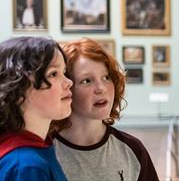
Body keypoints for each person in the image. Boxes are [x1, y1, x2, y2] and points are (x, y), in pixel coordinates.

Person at [52, 38, 159, 181]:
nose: (101, 88)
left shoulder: (133, 149)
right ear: (65, 88)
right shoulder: (45, 152)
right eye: (87, 81)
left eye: (106, 77)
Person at [0, 37, 73, 180]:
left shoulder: (36, 149)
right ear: (18, 89)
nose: (69, 82)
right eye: (53, 74)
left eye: (64, 72)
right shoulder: (25, 165)